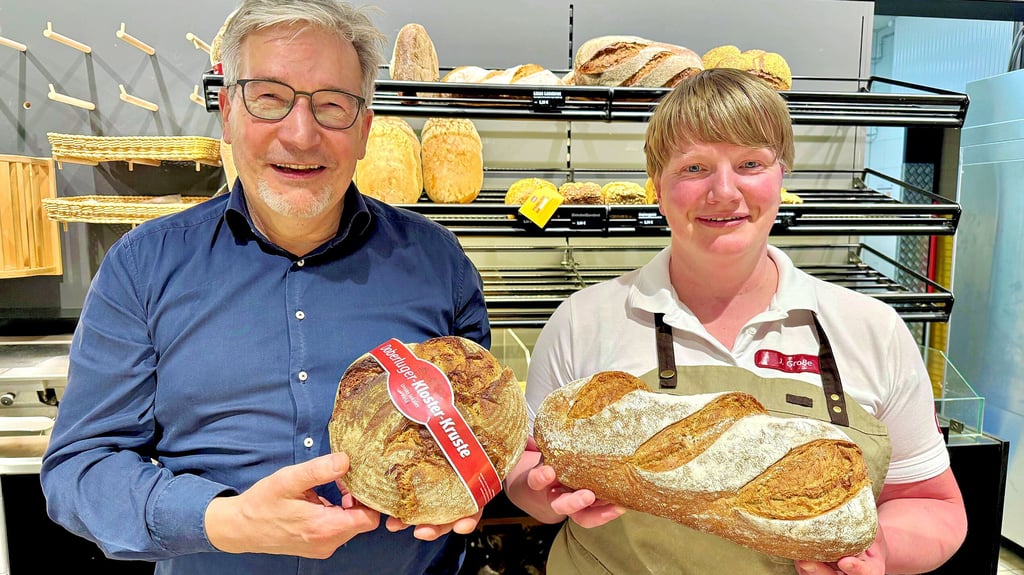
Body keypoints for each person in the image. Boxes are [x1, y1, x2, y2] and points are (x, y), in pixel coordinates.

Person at [40, 1, 489, 573]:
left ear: (364, 129)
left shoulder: (439, 263)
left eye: (332, 105)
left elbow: (475, 431)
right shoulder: (143, 267)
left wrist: (491, 481)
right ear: (228, 113)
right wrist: (223, 520)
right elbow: (80, 468)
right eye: (269, 98)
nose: (301, 135)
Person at [504, 68, 968, 575]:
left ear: (781, 177)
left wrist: (883, 549)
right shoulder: (584, 320)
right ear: (657, 188)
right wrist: (543, 493)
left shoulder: (871, 329)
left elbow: (934, 505)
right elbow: (526, 466)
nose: (724, 191)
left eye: (750, 163)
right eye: (694, 168)